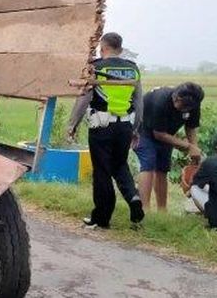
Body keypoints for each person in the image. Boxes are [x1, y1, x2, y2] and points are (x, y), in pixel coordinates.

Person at [67, 32, 145, 229]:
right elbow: (139, 101)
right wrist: (135, 128)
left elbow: (84, 99)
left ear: (103, 48)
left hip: (102, 126)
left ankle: (102, 218)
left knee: (102, 171)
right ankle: (134, 198)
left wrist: (72, 125)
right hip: (125, 126)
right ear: (120, 48)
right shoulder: (133, 69)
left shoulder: (97, 67)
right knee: (120, 165)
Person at [134, 82, 204, 211]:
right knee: (148, 164)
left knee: (162, 169)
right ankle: (144, 210)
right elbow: (159, 134)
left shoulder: (194, 104)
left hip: (167, 133)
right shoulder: (160, 100)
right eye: (176, 99)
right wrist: (187, 146)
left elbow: (191, 126)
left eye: (180, 104)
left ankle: (162, 210)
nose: (176, 103)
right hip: (143, 131)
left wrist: (194, 149)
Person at [190, 144, 217, 229]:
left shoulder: (210, 162)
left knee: (194, 188)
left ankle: (209, 213)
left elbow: (192, 182)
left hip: (215, 221)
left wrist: (201, 165)